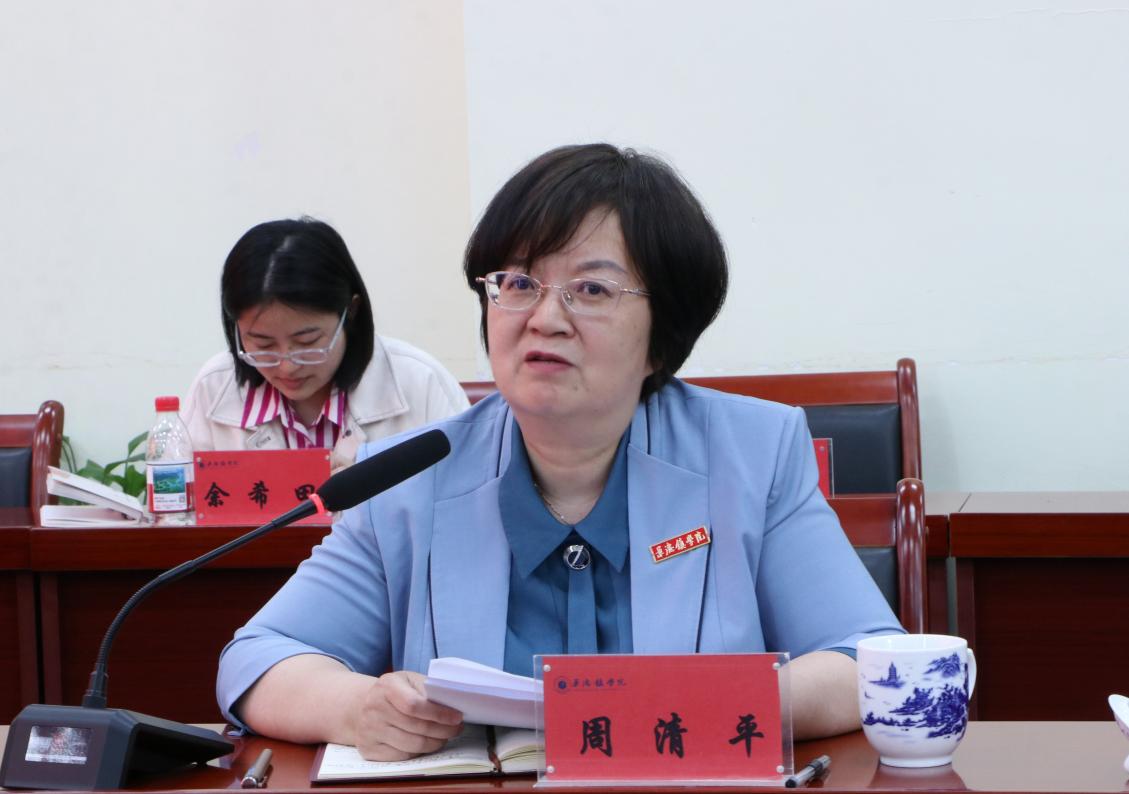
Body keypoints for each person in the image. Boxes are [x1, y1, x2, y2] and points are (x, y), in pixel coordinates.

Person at [216, 145, 903, 759]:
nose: (544, 318)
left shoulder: (752, 454)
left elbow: (869, 661)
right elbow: (257, 661)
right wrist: (355, 708)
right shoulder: (410, 476)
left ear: (662, 336)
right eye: (517, 284)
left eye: (591, 290)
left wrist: (715, 702)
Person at [181, 218, 469, 471]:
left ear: (350, 312)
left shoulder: (420, 382)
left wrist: (376, 504)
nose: (287, 366)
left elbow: (467, 496)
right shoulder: (214, 387)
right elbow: (179, 503)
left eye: (307, 342)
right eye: (263, 345)